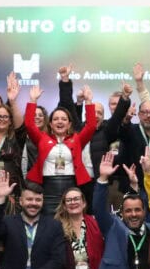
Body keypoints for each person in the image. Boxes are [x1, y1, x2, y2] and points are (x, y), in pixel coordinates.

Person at [23, 82, 98, 214]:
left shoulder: (77, 139)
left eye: (64, 119)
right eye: (56, 119)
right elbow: (29, 125)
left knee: (69, 223)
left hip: (70, 187)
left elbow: (91, 126)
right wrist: (33, 101)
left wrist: (89, 102)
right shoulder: (42, 139)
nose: (60, 121)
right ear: (50, 124)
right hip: (47, 188)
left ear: (69, 124)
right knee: (49, 226)